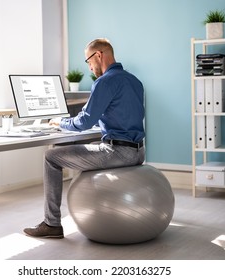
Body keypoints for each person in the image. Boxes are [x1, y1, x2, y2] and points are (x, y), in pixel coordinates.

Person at [23, 38, 145, 238]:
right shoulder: (134, 81)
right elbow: (125, 115)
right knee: (89, 145)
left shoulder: (105, 81)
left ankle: (51, 224)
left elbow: (84, 122)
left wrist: (59, 122)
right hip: (138, 151)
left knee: (51, 157)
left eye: (88, 61)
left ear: (98, 55)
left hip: (118, 152)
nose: (89, 67)